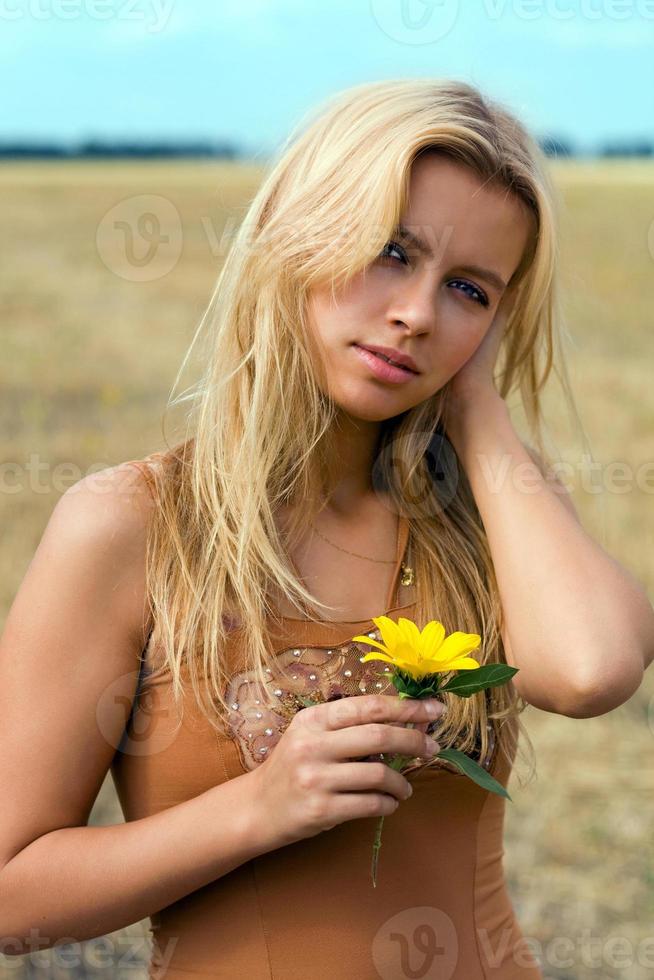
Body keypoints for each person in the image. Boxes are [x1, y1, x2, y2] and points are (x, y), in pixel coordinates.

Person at [1, 78, 652, 979]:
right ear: (298, 233)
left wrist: (473, 401)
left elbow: (592, 670)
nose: (417, 313)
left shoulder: (486, 516)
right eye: (390, 251)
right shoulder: (132, 526)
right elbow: (9, 896)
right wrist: (257, 808)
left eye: (468, 289)